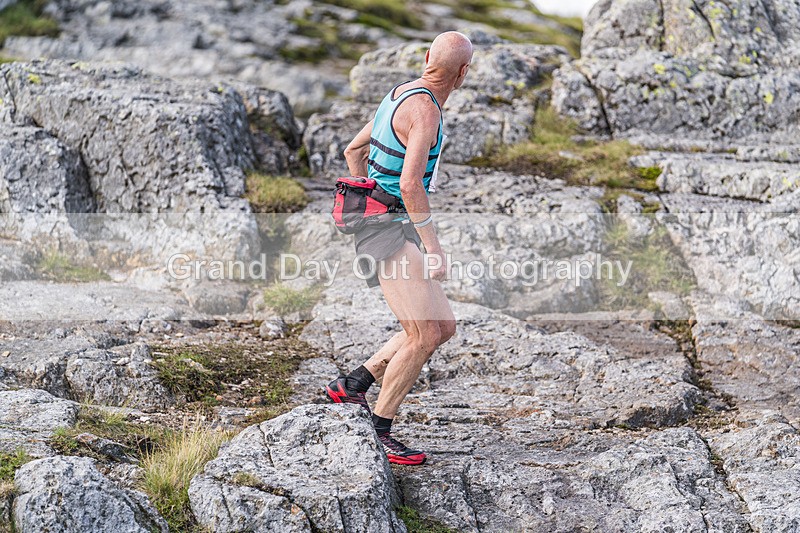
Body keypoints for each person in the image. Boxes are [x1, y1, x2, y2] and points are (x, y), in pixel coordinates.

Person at [326, 31, 473, 466]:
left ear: (427, 58)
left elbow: (354, 150)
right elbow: (409, 184)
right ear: (463, 74)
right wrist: (433, 248)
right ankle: (381, 430)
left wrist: (366, 196)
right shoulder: (425, 112)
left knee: (442, 326)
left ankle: (352, 385)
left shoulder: (398, 94)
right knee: (423, 335)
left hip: (386, 223)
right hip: (387, 231)